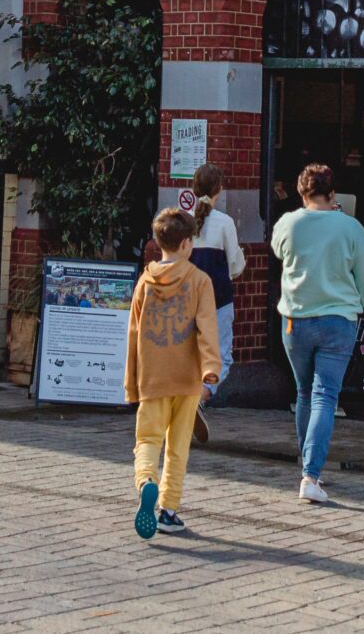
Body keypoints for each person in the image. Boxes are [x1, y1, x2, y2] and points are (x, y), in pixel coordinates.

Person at [269, 162, 364, 505]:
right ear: (332, 194)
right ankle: (311, 474)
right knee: (325, 396)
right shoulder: (350, 228)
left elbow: (278, 251)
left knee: (304, 392)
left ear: (301, 192)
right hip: (338, 320)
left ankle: (308, 468)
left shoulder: (287, 223)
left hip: (295, 320)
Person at [126, 208, 221, 540]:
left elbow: (134, 332)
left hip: (152, 375)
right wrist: (211, 368)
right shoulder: (200, 281)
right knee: (178, 446)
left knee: (148, 440)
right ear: (186, 243)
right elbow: (207, 328)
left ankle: (146, 482)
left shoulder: (145, 282)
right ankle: (168, 510)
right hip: (188, 376)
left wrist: (131, 381)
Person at [185, 162, 246, 446]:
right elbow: (235, 265)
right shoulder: (225, 223)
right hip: (218, 298)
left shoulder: (179, 218)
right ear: (219, 189)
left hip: (185, 299)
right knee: (220, 357)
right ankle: (199, 398)